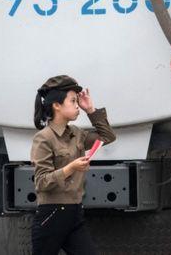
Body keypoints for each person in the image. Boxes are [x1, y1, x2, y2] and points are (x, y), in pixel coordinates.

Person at [30, 75, 116, 255]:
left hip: (74, 214)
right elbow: (41, 182)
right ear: (57, 105)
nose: (77, 105)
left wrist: (91, 110)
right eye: (73, 101)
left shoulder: (77, 133)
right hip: (51, 215)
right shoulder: (44, 138)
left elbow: (107, 137)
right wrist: (71, 168)